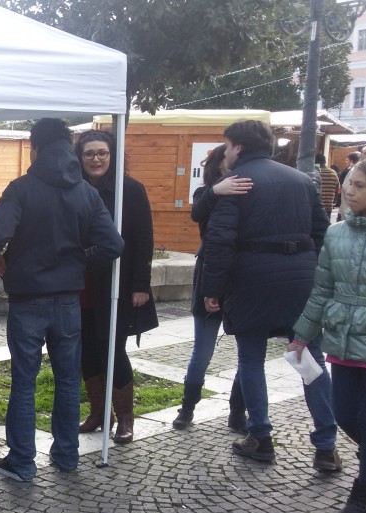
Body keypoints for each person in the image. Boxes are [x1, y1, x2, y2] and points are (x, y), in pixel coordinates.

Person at [0, 118, 123, 479]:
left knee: (25, 381)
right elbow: (113, 245)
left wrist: (2, 260)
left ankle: (22, 463)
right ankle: (67, 456)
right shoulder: (86, 192)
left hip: (28, 299)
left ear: (35, 147)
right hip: (69, 301)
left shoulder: (22, 188)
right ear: (69, 146)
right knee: (68, 379)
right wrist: (77, 260)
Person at [201, 119, 338, 467]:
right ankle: (326, 444)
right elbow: (322, 234)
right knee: (310, 358)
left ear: (239, 148)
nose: (226, 152)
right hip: (301, 283)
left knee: (250, 360)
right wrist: (317, 277)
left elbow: (219, 241)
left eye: (227, 145)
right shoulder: (302, 181)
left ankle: (260, 437)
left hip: (252, 281)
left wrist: (211, 289)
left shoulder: (235, 184)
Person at [287, 156, 366, 513]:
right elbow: (322, 289)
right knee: (344, 414)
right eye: (350, 183)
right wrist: (302, 334)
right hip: (342, 341)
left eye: (359, 185)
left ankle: (362, 499)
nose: (348, 190)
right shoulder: (337, 233)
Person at [74, 129, 159, 445]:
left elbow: (142, 239)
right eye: (89, 154)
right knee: (87, 350)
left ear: (112, 156)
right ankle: (99, 413)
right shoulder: (74, 188)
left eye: (102, 153)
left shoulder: (130, 190)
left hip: (117, 284)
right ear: (80, 158)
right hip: (81, 283)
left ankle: (125, 418)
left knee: (112, 349)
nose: (96, 159)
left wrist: (141, 284)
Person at [172, 145, 252, 430]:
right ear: (218, 165)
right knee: (202, 352)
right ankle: (187, 407)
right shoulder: (205, 192)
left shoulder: (250, 189)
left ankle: (237, 410)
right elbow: (198, 213)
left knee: (248, 355)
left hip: (240, 278)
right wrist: (218, 190)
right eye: (228, 162)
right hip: (208, 274)